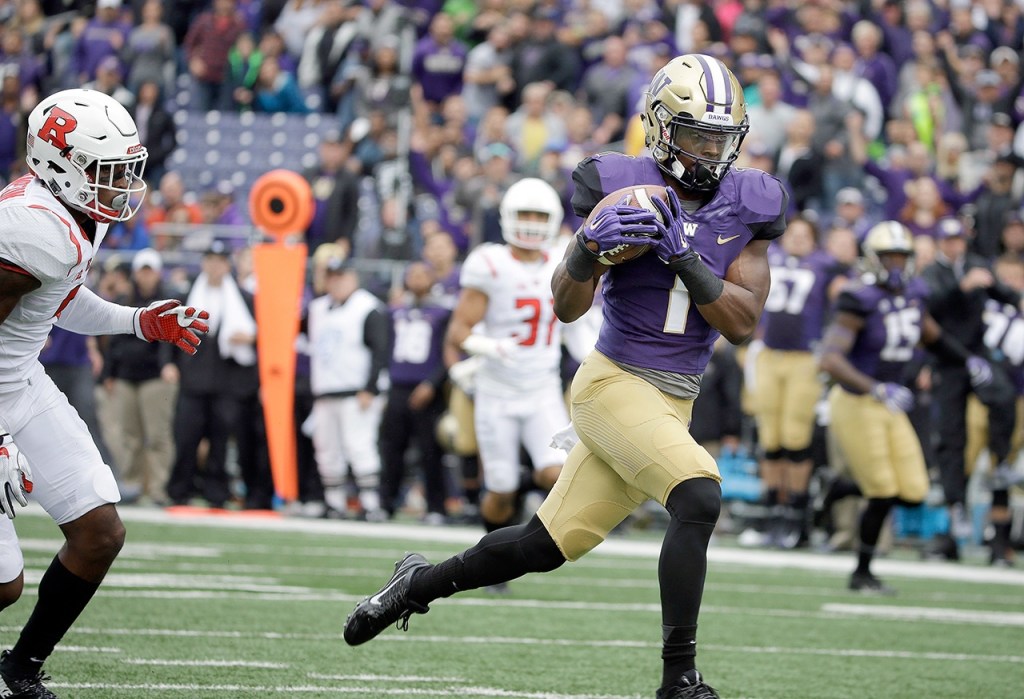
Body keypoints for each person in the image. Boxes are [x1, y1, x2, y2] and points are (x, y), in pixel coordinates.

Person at [345, 54, 786, 699]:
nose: (711, 150)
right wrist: (583, 250)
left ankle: (415, 585)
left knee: (542, 545)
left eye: (723, 136)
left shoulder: (753, 200)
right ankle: (679, 679)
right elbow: (566, 304)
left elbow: (742, 322)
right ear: (661, 127)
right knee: (698, 494)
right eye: (697, 134)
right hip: (613, 384)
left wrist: (681, 255)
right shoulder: (615, 180)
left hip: (675, 402)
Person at [0, 88, 209, 698]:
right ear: (60, 166)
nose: (122, 184)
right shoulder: (29, 230)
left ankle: (18, 671)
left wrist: (137, 321)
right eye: (107, 172)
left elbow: (56, 301)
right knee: (4, 584)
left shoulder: (67, 220)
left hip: (19, 383)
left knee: (100, 534)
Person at [819, 221, 995, 594]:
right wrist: (876, 387)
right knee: (882, 491)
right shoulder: (858, 297)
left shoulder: (915, 291)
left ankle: (843, 485)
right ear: (873, 259)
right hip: (858, 400)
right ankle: (862, 573)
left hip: (889, 402)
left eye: (902, 256)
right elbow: (831, 359)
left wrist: (967, 360)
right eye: (889, 257)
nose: (897, 264)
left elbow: (932, 336)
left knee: (914, 490)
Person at [440, 177, 568, 547]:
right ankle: (490, 560)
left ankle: (526, 482)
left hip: (542, 387)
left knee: (558, 474)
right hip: (497, 390)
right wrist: (489, 346)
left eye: (539, 214)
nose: (530, 222)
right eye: (523, 213)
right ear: (508, 216)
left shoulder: (562, 260)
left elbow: (577, 321)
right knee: (500, 491)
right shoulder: (490, 263)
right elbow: (458, 331)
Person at [919, 217, 1022, 562]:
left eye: (959, 239)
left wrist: (1016, 299)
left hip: (976, 357)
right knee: (951, 439)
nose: (954, 245)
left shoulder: (978, 265)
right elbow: (929, 308)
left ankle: (1002, 455)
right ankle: (955, 508)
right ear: (939, 243)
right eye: (948, 240)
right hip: (949, 362)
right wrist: (962, 287)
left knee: (1003, 397)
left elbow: (1001, 293)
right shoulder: (932, 273)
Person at [306, 257, 389, 520]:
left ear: (353, 278)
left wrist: (370, 387)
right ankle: (335, 502)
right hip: (326, 389)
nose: (336, 282)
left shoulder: (367, 307)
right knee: (327, 449)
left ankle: (371, 503)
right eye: (331, 276)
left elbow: (380, 350)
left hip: (356, 390)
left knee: (360, 446)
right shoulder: (317, 308)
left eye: (341, 276)